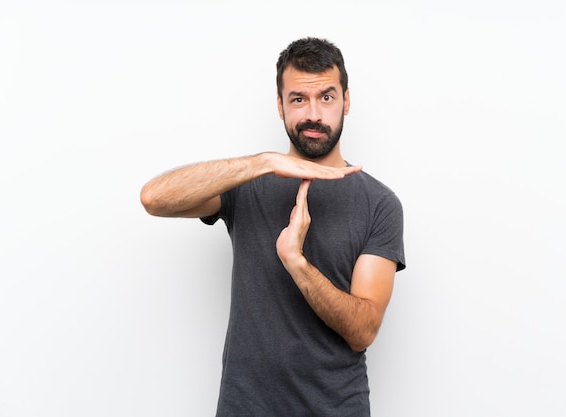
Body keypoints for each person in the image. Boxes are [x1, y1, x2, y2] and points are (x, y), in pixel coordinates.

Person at [140, 37, 405, 417]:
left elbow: (362, 331)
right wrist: (264, 163)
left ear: (346, 101)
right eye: (298, 99)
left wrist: (296, 263)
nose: (313, 113)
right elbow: (154, 199)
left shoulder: (379, 204)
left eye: (326, 98)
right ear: (280, 107)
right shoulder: (247, 185)